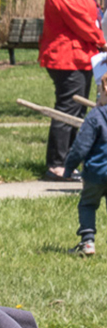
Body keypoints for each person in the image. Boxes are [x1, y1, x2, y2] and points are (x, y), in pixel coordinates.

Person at [39, 0, 103, 181]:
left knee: (76, 109)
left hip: (80, 57)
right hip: (67, 58)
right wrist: (102, 41)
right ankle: (57, 165)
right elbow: (81, 21)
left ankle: (70, 161)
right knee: (67, 110)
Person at [63, 99, 107, 255]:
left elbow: (81, 146)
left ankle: (88, 242)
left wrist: (69, 168)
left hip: (96, 173)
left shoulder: (95, 116)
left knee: (88, 204)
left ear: (103, 92)